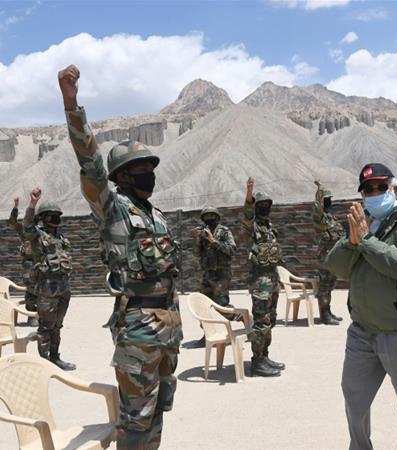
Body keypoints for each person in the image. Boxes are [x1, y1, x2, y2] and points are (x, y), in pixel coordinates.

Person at [60, 64, 182, 449]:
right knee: (136, 418)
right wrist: (72, 105)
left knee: (160, 407)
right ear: (123, 176)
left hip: (167, 325)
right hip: (138, 330)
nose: (148, 173)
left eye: (149, 166)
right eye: (139, 168)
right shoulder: (112, 208)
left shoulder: (155, 215)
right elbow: (91, 166)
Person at [324, 163, 397, 450]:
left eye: (380, 187)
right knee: (354, 400)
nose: (374, 193)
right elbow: (335, 266)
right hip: (363, 332)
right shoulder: (366, 223)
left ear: (394, 189)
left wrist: (367, 241)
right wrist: (352, 243)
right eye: (368, 189)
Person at [22, 189, 75, 370]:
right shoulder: (38, 236)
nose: (55, 218)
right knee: (46, 327)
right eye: (51, 215)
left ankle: (55, 357)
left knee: (57, 326)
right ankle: (45, 363)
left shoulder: (60, 238)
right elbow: (27, 226)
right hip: (47, 289)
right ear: (43, 218)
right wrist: (32, 204)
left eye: (57, 215)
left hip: (63, 288)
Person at [242, 176, 285, 377]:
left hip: (272, 278)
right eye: (261, 204)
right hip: (260, 281)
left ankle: (265, 355)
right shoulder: (252, 226)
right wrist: (249, 195)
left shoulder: (269, 227)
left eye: (268, 204)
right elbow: (248, 215)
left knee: (271, 319)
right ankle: (257, 361)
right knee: (261, 321)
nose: (265, 207)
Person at [189, 206, 240, 347]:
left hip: (221, 273)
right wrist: (198, 240)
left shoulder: (224, 231)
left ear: (217, 217)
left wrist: (214, 241)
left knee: (221, 305)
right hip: (207, 273)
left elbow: (231, 249)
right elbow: (196, 253)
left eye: (212, 215)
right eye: (206, 216)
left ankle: (241, 317)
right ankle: (207, 335)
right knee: (202, 306)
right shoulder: (203, 232)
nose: (209, 218)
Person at [312, 180, 345, 325]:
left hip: (334, 258)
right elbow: (318, 208)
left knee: (330, 286)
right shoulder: (320, 218)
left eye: (329, 199)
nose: (329, 202)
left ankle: (329, 311)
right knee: (324, 287)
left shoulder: (331, 218)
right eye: (326, 200)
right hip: (325, 259)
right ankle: (324, 315)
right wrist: (320, 190)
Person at [9, 196, 38, 327]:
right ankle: (32, 315)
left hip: (42, 263)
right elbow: (12, 222)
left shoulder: (40, 231)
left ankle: (43, 317)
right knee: (30, 289)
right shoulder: (23, 230)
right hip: (29, 263)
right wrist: (15, 207)